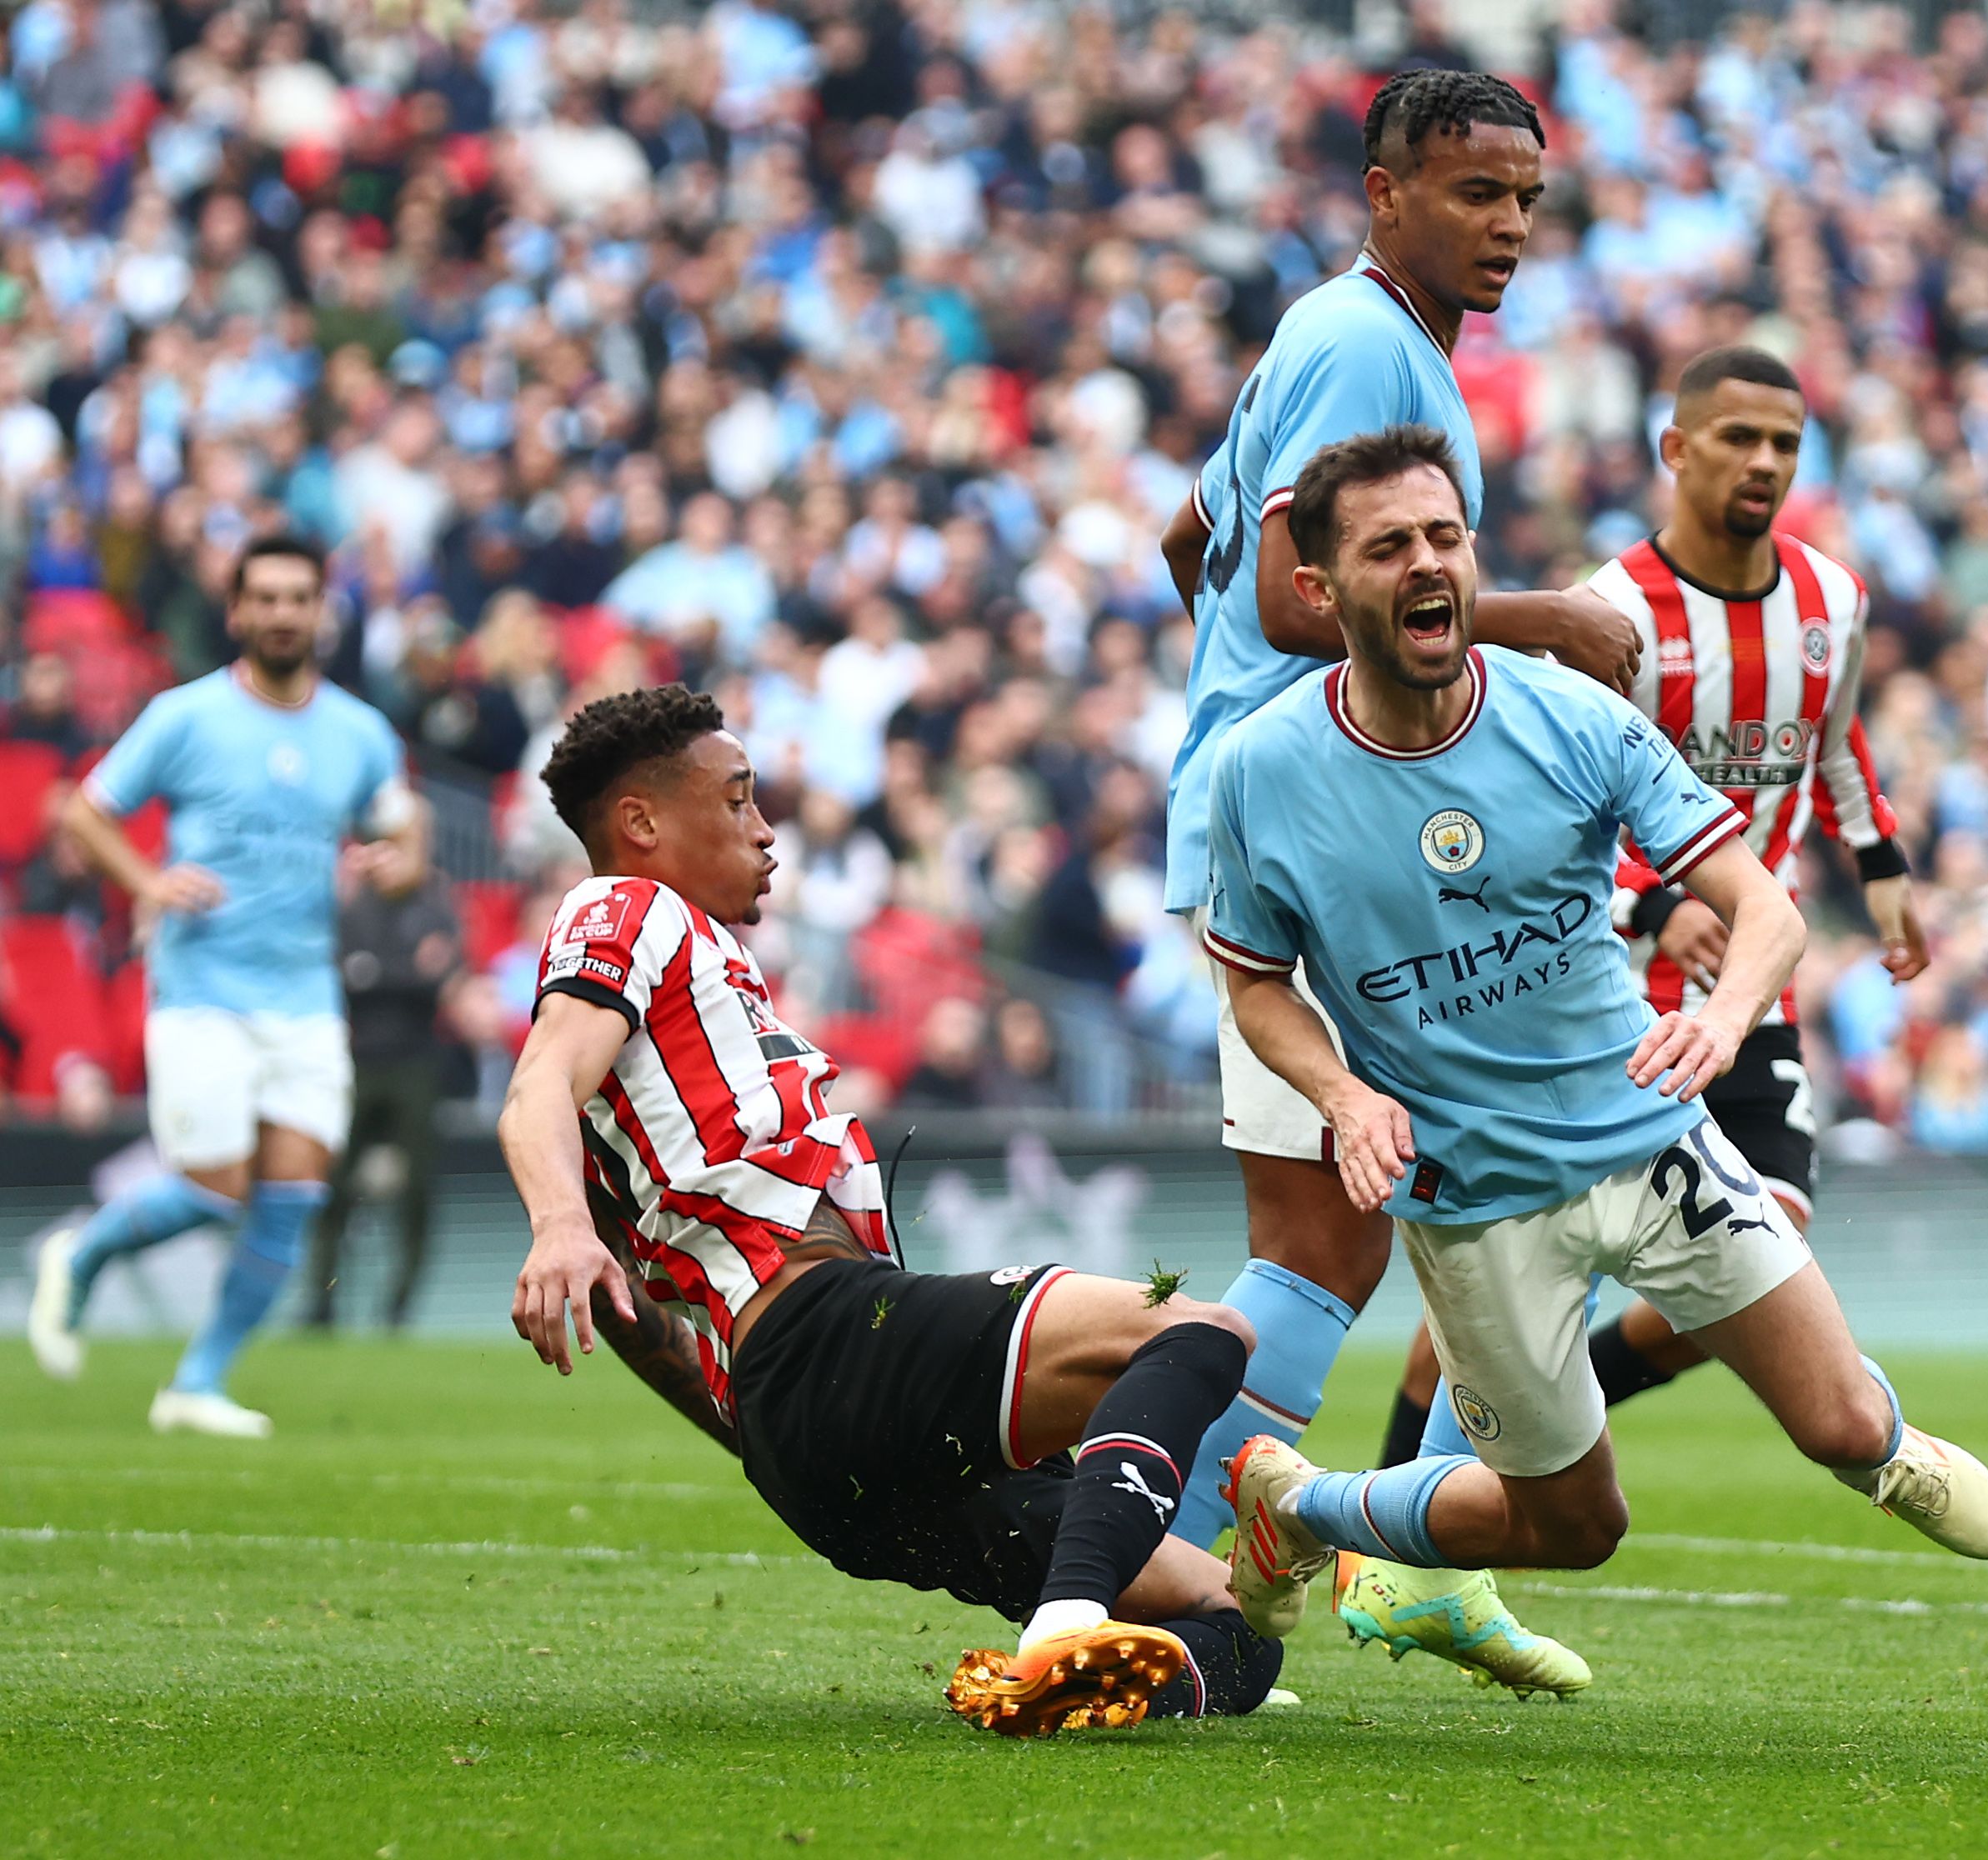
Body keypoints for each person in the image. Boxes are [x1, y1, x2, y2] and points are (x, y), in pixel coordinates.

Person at [1204, 428, 1988, 1648]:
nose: (1430, 564)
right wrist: (1342, 1095)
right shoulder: (1259, 773)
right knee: (1577, 1528)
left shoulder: (1569, 716)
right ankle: (1299, 1508)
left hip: (1652, 1144)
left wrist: (1724, 1015)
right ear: (1318, 589)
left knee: (1850, 1432)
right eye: (1389, 548)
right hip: (1478, 1204)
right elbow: (1256, 985)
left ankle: (1309, 1501)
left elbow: (1767, 908)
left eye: (1445, 537)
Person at [498, 685, 1279, 1738]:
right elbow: (537, 1080)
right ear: (641, 824)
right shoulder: (625, 910)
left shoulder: (676, 1021)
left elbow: (637, 1309)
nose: (765, 828)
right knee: (1197, 1333)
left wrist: (765, 1441)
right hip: (831, 1339)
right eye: (737, 801)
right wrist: (556, 1225)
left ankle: (1109, 1668)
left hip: (810, 1442)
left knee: (1229, 1620)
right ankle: (1065, 1627)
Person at [1149, 68, 1636, 1692]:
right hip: (1314, 827)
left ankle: (1210, 1565)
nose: (1505, 227)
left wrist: (1229, 690)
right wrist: (1539, 621)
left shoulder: (1332, 335)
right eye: (1472, 193)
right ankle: (1150, 1568)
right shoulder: (1370, 347)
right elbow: (1296, 600)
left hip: (1282, 804)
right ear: (1384, 192)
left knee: (1332, 1239)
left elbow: (1195, 536)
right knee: (1317, 1254)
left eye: (1525, 199)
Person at [1378, 344, 1925, 1472]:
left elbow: (1833, 741)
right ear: (1677, 449)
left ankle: (1561, 1403)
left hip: (1741, 998)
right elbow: (1539, 802)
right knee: (1481, 1301)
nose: (1764, 461)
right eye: (1739, 438)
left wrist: (1881, 867)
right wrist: (1653, 904)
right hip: (1595, 998)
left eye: (1784, 442)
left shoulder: (1834, 602)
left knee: (1771, 1229)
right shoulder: (1608, 612)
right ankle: (1389, 1512)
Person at [25, 535, 426, 1437]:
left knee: (289, 1197)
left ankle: (196, 1384)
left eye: (299, 597)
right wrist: (146, 883)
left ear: (321, 611)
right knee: (214, 1188)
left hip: (306, 998)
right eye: (267, 598)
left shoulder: (358, 732)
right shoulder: (186, 716)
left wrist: (392, 865)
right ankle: (79, 1254)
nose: (284, 613)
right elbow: (87, 809)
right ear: (238, 612)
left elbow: (407, 838)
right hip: (203, 987)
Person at [303, 864, 462, 1330]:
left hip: (415, 1063)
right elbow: (345, 978)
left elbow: (439, 974)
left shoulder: (432, 905)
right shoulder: (354, 909)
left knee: (417, 1189)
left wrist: (376, 971)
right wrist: (408, 970)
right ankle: (320, 1299)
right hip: (358, 1062)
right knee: (330, 1183)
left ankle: (399, 1305)